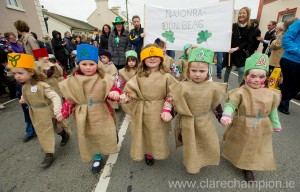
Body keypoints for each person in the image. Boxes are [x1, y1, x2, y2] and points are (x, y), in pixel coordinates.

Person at [161, 47, 227, 174]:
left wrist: (221, 116)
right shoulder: (182, 86)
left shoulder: (212, 87)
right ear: (188, 71)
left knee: (204, 141)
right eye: (194, 70)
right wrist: (169, 113)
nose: (197, 74)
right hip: (187, 122)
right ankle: (191, 164)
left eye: (202, 71)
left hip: (204, 121)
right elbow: (176, 102)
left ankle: (202, 159)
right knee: (190, 144)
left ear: (208, 70)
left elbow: (216, 104)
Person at [59, 44, 121, 173]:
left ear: (97, 65)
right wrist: (64, 113)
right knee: (90, 135)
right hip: (83, 114)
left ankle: (111, 136)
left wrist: (116, 94)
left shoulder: (104, 78)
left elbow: (113, 89)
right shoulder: (73, 81)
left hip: (103, 111)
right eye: (84, 64)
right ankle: (97, 156)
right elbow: (70, 99)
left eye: (91, 64)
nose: (88, 67)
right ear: (78, 64)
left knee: (105, 131)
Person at [220, 53, 282, 182]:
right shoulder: (240, 92)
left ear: (266, 77)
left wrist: (276, 124)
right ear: (245, 76)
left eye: (261, 77)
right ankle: (235, 154)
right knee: (239, 142)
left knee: (253, 146)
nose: (257, 80)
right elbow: (231, 105)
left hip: (262, 126)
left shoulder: (270, 94)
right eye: (253, 76)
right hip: (242, 124)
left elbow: (272, 110)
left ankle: (247, 167)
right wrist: (226, 114)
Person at [121, 44, 177, 165]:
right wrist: (124, 97)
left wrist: (167, 108)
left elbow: (174, 92)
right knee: (145, 132)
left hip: (159, 110)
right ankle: (148, 153)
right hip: (141, 110)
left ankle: (158, 151)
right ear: (143, 59)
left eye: (156, 56)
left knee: (157, 133)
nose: (152, 59)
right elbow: (130, 90)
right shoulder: (139, 76)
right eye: (148, 56)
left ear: (161, 59)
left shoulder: (166, 76)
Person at [8, 52, 68, 168]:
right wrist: (23, 99)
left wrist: (57, 111)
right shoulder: (24, 85)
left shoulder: (41, 85)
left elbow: (54, 96)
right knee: (49, 130)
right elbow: (26, 94)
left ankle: (49, 153)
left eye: (20, 73)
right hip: (35, 113)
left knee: (47, 131)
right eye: (15, 73)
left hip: (47, 112)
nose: (17, 76)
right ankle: (63, 134)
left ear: (31, 72)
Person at [222, 7, 252, 84]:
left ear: (247, 15)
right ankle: (225, 86)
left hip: (241, 53)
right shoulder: (233, 26)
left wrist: (237, 48)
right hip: (230, 52)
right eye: (240, 13)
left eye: (244, 13)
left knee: (242, 70)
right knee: (228, 69)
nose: (241, 15)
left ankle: (240, 89)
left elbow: (248, 41)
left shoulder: (250, 27)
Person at [278, 18, 300, 115]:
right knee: (288, 84)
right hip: (291, 60)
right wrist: (298, 51)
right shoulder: (298, 23)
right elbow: (286, 40)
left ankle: (280, 98)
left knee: (296, 87)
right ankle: (283, 104)